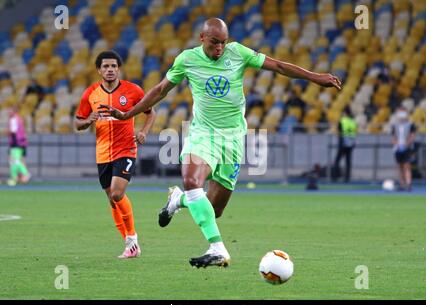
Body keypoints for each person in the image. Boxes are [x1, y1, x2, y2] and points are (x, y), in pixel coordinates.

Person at [100, 18, 341, 268]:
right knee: (193, 181)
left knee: (212, 211)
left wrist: (314, 77)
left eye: (223, 43)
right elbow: (161, 90)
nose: (220, 48)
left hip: (233, 138)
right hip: (202, 134)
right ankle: (217, 248)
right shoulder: (187, 59)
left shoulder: (238, 53)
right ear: (202, 38)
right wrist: (129, 114)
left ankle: (178, 200)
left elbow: (278, 66)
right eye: (215, 43)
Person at [74, 50, 156, 259]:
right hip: (102, 152)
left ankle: (133, 241)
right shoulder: (90, 94)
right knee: (112, 200)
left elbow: (150, 112)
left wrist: (144, 132)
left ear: (118, 69)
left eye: (113, 66)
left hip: (125, 148)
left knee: (117, 193)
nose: (110, 70)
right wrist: (88, 120)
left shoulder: (133, 91)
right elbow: (78, 123)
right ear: (99, 70)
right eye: (105, 67)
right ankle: (130, 244)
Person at [391, 107, 416, 191]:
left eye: (403, 112)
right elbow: (393, 137)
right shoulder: (395, 125)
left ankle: (409, 184)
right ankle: (402, 184)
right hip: (398, 149)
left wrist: (406, 144)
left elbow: (412, 136)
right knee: (399, 166)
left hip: (407, 148)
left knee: (407, 166)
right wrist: (397, 144)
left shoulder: (410, 124)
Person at [7, 105, 30, 186]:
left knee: (15, 161)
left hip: (16, 143)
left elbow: (13, 131)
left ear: (14, 111)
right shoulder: (19, 119)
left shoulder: (13, 119)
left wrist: (5, 132)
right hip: (21, 143)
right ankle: (17, 177)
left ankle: (22, 175)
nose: (8, 112)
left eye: (10, 110)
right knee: (16, 161)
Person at [332, 107, 357, 183]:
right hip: (351, 143)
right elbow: (354, 132)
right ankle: (347, 178)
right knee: (348, 161)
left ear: (345, 113)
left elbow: (338, 131)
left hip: (343, 142)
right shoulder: (352, 122)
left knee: (337, 160)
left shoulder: (342, 121)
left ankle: (334, 177)